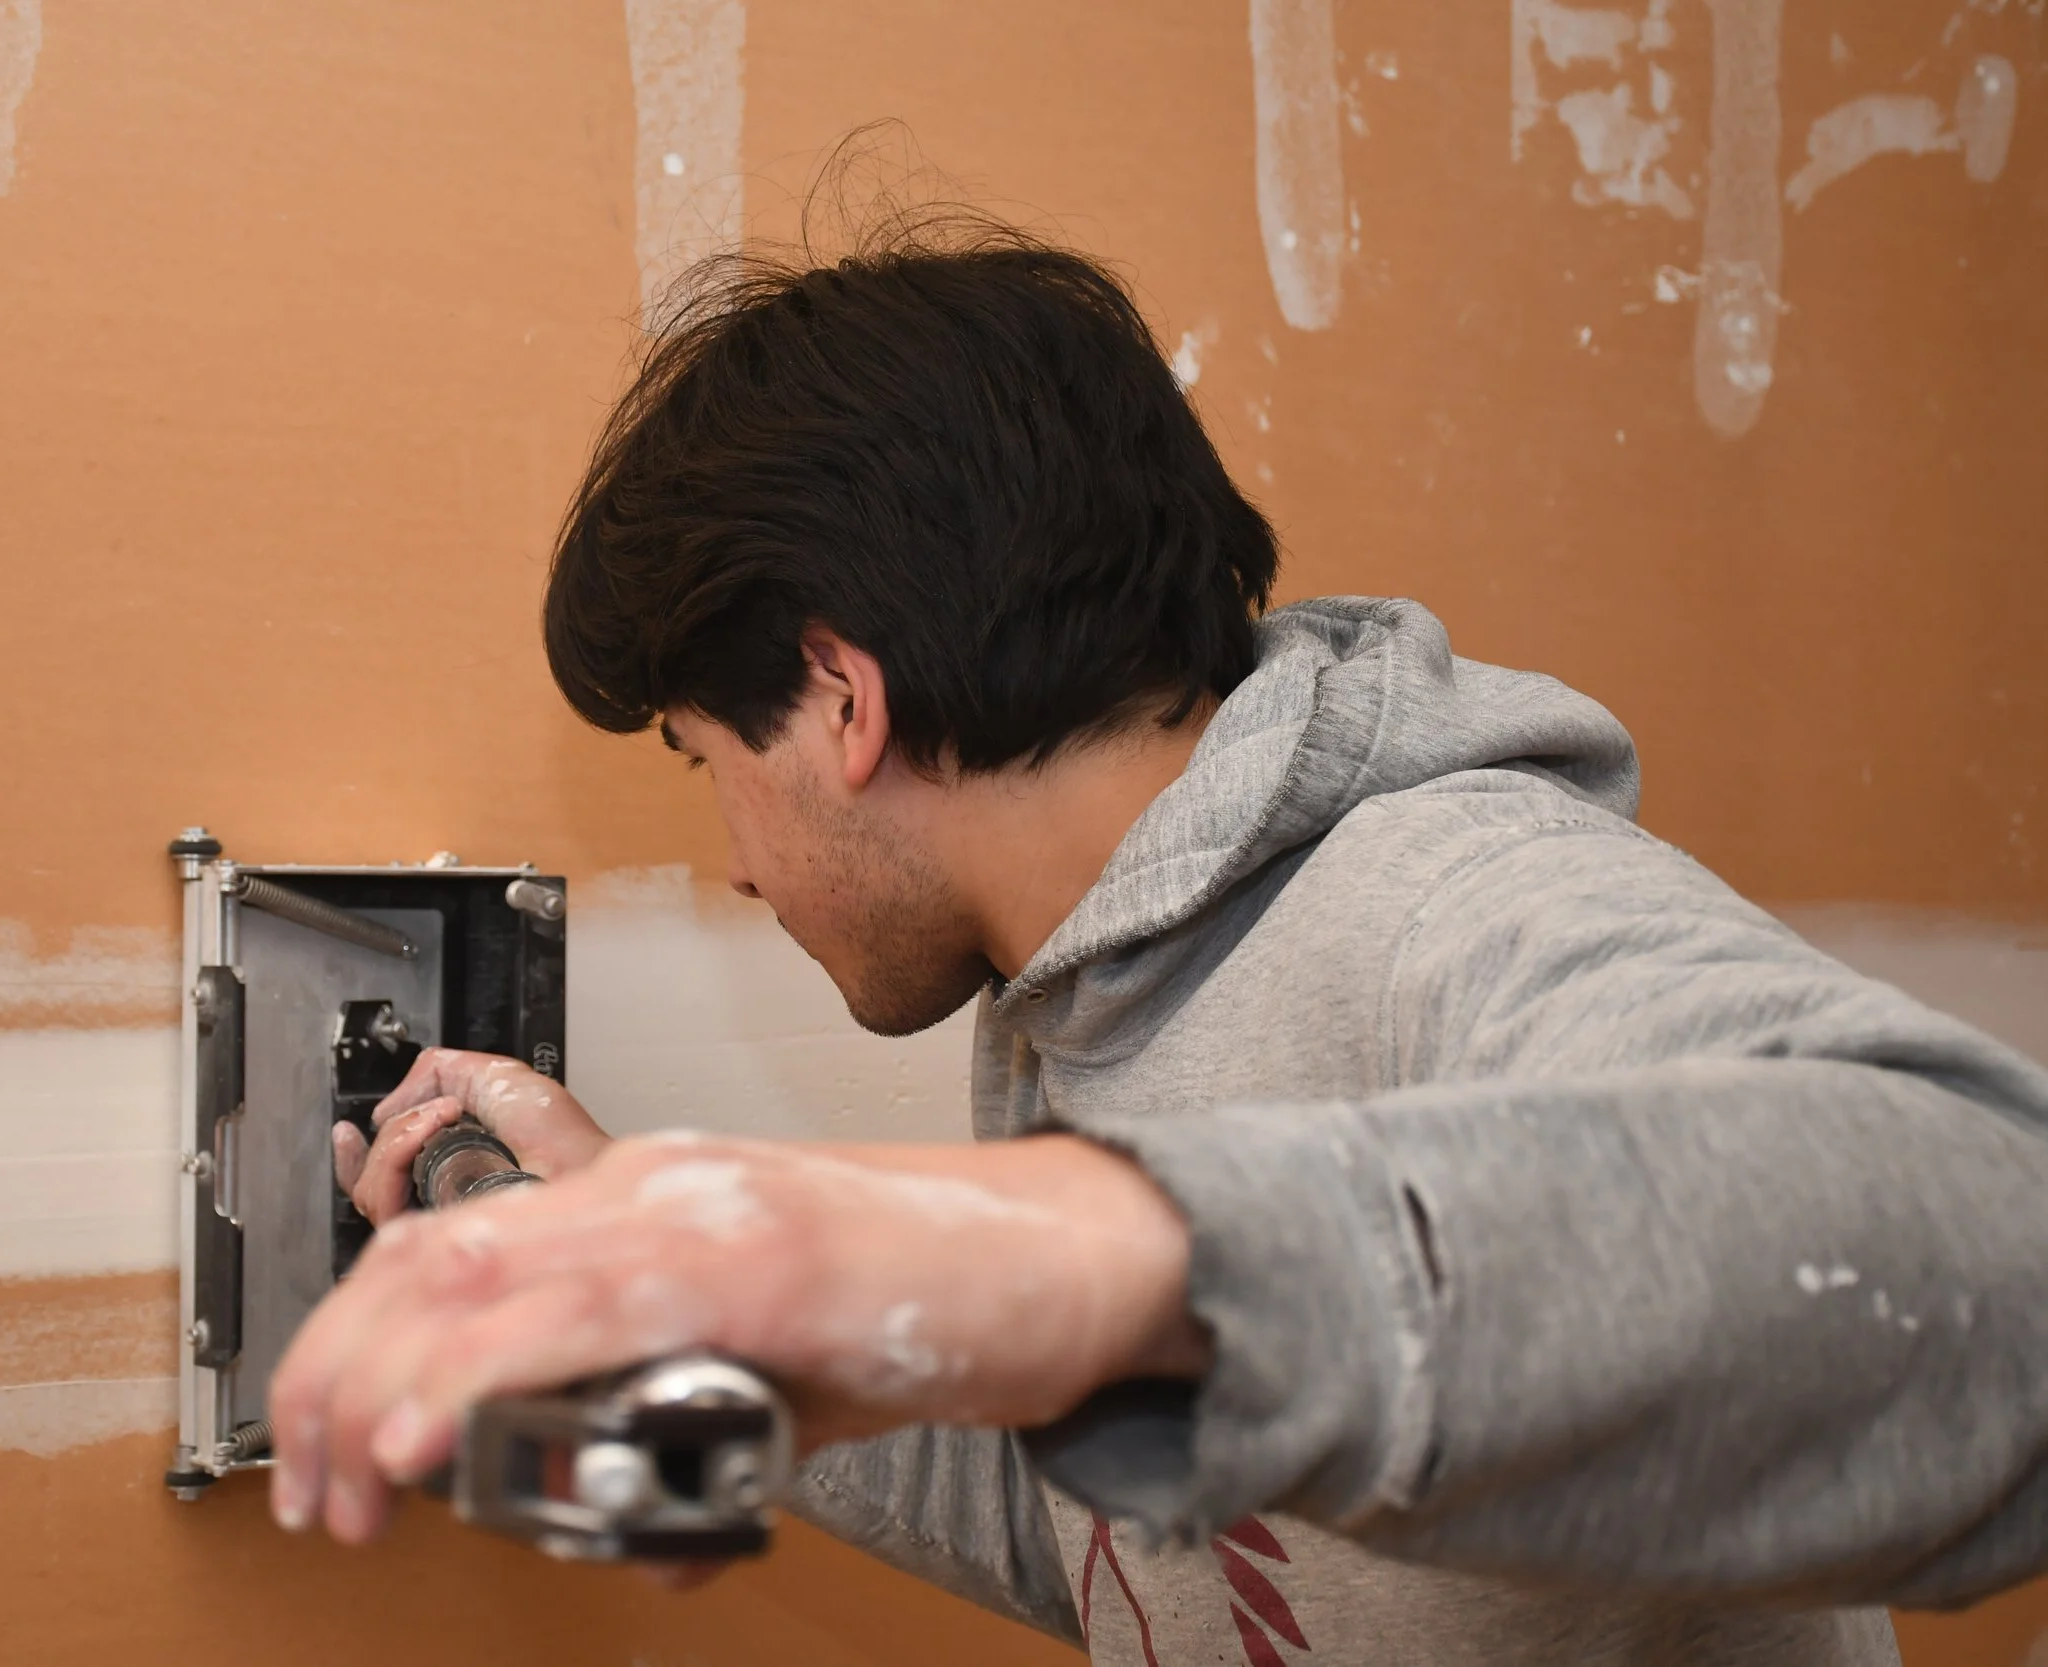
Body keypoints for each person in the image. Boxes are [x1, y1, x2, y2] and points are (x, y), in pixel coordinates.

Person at [266, 216, 2048, 1666]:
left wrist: (1061, 1251)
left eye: (706, 767)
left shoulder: (1442, 896)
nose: (733, 861)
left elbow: (1996, 1252)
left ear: (835, 697)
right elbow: (1157, 1549)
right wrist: (626, 1287)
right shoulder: (1077, 1003)